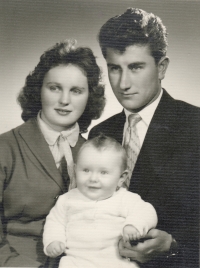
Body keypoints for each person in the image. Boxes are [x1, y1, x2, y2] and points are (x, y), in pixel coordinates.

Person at [89, 8, 200, 268]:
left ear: (161, 68)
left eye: (136, 67)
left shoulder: (196, 126)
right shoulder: (99, 134)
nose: (123, 83)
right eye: (114, 68)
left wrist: (174, 248)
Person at [0, 39, 105, 267]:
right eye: (55, 88)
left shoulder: (96, 153)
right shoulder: (5, 148)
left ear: (89, 97)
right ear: (39, 89)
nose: (64, 101)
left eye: (76, 91)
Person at [43, 134, 157, 268]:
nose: (93, 178)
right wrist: (54, 241)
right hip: (77, 261)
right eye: (86, 170)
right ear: (75, 170)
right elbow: (55, 222)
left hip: (116, 261)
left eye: (103, 172)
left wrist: (134, 225)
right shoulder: (67, 200)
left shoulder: (125, 199)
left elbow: (147, 212)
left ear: (121, 177)